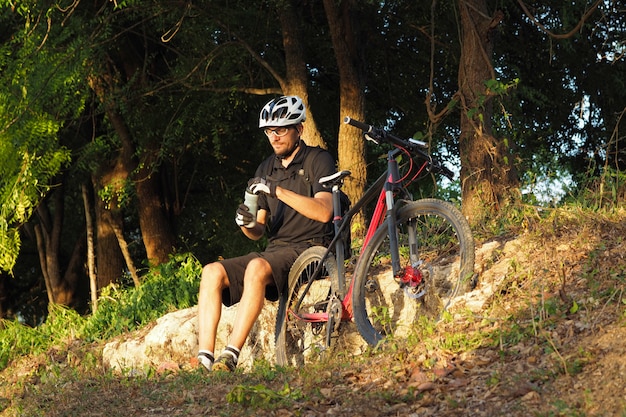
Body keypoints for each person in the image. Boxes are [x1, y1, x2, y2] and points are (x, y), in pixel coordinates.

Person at [196, 95, 336, 372]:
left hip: (312, 248)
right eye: (269, 131)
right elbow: (258, 230)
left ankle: (230, 356)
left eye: (281, 129)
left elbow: (324, 212)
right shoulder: (265, 169)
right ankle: (204, 360)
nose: (274, 136)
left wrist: (278, 191)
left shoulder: (318, 159)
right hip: (276, 252)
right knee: (211, 271)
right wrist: (246, 223)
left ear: (299, 130)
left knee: (258, 266)